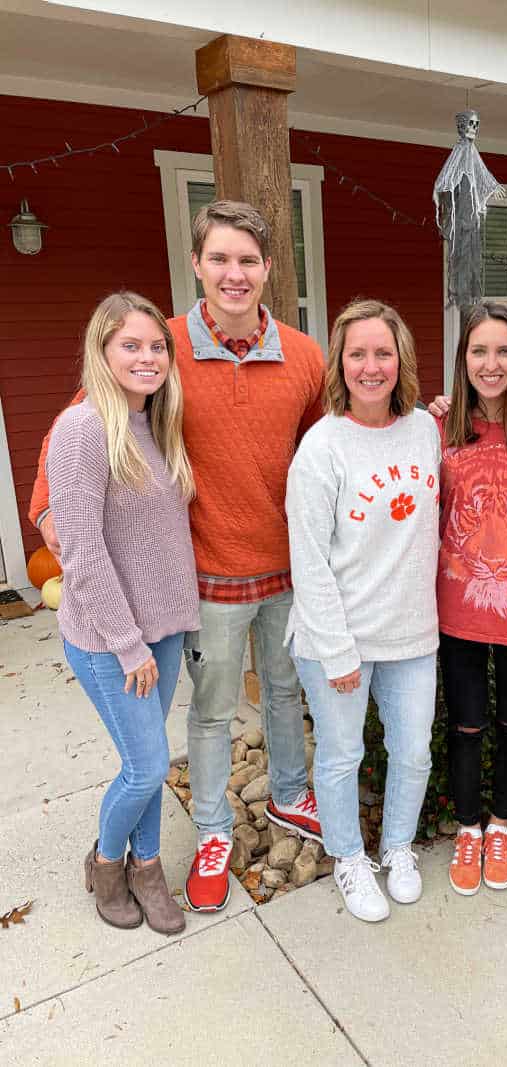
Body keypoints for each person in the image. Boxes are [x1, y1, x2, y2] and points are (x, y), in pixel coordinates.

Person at [29, 201, 325, 914]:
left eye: (248, 260)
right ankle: (215, 829)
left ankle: (288, 793)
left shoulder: (305, 355)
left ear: (268, 270)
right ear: (196, 264)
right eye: (219, 258)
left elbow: (331, 451)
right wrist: (59, 531)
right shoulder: (153, 347)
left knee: (287, 695)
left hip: (288, 575)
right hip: (207, 582)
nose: (234, 273)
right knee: (213, 713)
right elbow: (66, 448)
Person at [47, 292, 199, 936]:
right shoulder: (82, 429)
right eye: (129, 345)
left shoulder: (156, 423)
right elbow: (79, 551)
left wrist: (172, 630)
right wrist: (127, 645)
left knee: (145, 761)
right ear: (102, 352)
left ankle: (146, 868)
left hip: (160, 633)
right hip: (112, 642)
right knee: (148, 767)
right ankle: (110, 865)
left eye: (156, 345)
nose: (146, 357)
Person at [285, 299, 440, 923]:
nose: (371, 367)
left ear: (399, 358)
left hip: (412, 635)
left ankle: (397, 849)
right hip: (338, 638)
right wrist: (337, 651)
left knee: (412, 753)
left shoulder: (426, 429)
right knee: (342, 756)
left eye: (382, 353)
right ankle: (349, 857)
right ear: (339, 364)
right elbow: (309, 560)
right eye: (357, 355)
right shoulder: (322, 447)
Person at [437, 302, 507, 897]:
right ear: (463, 360)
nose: (491, 363)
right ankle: (467, 827)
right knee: (466, 724)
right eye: (478, 351)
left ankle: (501, 823)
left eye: (503, 351)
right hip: (456, 610)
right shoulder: (441, 428)